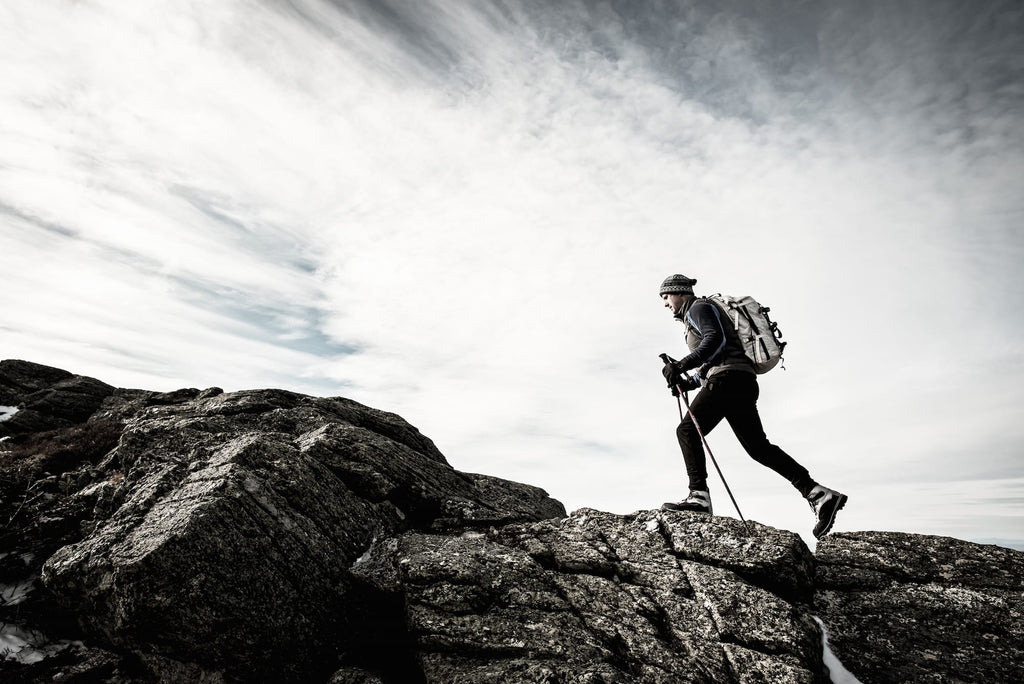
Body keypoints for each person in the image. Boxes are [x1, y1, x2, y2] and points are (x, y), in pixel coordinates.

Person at [657, 273, 847, 539]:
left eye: (666, 296)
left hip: (726, 380)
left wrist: (680, 365)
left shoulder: (698, 307)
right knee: (758, 448)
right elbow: (718, 355)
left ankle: (698, 497)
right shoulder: (698, 312)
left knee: (687, 430)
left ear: (679, 292)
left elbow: (715, 340)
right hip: (740, 380)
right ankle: (818, 494)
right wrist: (687, 382)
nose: (665, 303)